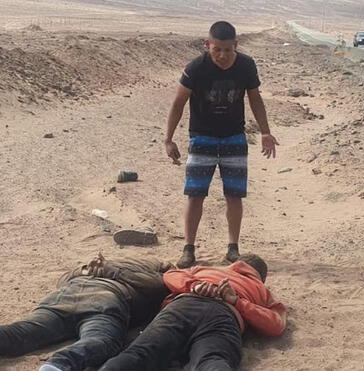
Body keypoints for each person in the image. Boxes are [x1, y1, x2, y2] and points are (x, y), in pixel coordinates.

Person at [163, 21, 279, 268]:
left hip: (234, 138)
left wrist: (266, 132)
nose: (223, 56)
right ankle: (188, 248)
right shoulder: (196, 68)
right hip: (201, 138)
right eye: (217, 50)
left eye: (228, 50)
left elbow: (256, 100)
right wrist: (168, 138)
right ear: (207, 45)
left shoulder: (246, 65)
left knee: (234, 195)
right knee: (195, 195)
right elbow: (178, 103)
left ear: (236, 46)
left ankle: (233, 248)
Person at [99, 254, 286, 371]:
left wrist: (194, 286)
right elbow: (275, 324)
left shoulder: (207, 269)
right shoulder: (262, 291)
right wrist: (237, 301)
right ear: (260, 278)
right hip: (224, 315)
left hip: (184, 305)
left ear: (235, 264)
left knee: (139, 354)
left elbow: (170, 275)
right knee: (213, 360)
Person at [0, 253, 173, 371]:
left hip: (64, 298)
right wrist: (110, 272)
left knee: (20, 332)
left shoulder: (96, 265)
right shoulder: (154, 268)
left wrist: (87, 270)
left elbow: (63, 281)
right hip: (103, 301)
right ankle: (59, 364)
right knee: (102, 341)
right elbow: (159, 285)